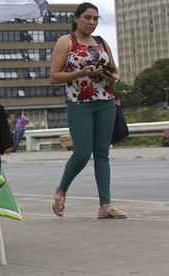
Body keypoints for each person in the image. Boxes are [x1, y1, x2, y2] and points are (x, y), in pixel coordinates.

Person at [50, 2, 126, 219]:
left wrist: (112, 76)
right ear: (76, 18)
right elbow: (54, 76)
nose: (91, 22)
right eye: (87, 18)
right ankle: (61, 189)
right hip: (79, 104)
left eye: (95, 18)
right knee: (82, 153)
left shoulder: (101, 42)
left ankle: (106, 205)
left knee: (102, 153)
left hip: (106, 101)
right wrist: (81, 72)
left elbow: (116, 71)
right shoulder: (66, 42)